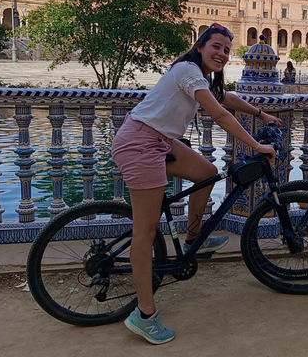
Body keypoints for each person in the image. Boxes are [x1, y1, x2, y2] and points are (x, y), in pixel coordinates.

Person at [111, 23, 280, 344]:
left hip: (160, 140)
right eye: (216, 46)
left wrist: (261, 113)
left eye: (227, 50)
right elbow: (219, 113)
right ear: (200, 46)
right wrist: (256, 146)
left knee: (206, 173)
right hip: (140, 144)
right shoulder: (187, 69)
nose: (222, 54)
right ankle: (144, 315)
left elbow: (224, 97)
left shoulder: (198, 76)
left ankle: (192, 240)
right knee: (145, 232)